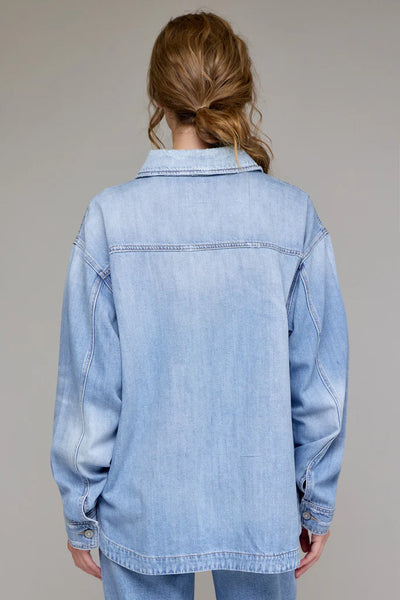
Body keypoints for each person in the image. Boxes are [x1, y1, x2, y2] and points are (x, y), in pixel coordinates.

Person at [50, 10, 349, 600]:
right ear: (241, 90)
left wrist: (80, 510)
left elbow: (89, 389)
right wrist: (315, 501)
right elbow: (320, 386)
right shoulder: (292, 216)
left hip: (143, 509)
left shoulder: (110, 218)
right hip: (260, 506)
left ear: (159, 99)